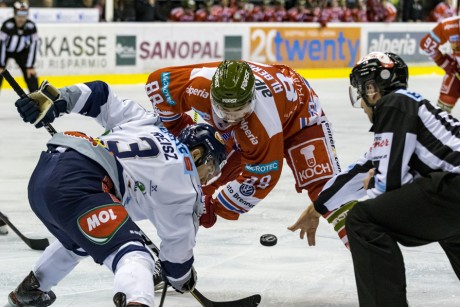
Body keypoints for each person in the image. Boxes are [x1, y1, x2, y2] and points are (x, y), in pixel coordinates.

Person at [9, 80, 227, 306]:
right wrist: (182, 277)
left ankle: (31, 289)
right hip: (81, 182)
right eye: (211, 167)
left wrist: (56, 100)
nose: (207, 177)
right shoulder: (187, 183)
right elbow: (177, 254)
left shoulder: (148, 123)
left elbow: (99, 95)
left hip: (46, 174)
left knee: (83, 239)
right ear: (197, 152)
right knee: (135, 256)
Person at [298, 51, 460, 306]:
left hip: (454, 190)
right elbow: (362, 168)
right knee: (451, 228)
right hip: (452, 196)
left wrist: (375, 182)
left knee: (363, 219)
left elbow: (389, 182)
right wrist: (318, 207)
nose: (362, 104)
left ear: (372, 89)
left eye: (361, 93)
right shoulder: (411, 109)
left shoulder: (394, 104)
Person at [145, 60, 343, 239]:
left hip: (300, 114)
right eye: (225, 110)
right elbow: (157, 85)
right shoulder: (198, 87)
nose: (232, 118)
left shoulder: (261, 125)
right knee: (200, 175)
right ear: (212, 96)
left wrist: (214, 208)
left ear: (252, 99)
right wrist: (180, 128)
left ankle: (360, 241)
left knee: (326, 191)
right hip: (255, 120)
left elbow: (261, 177)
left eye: (238, 110)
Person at [420, 16, 460, 113]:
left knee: (440, 117)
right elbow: (426, 45)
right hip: (457, 74)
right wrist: (443, 62)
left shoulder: (449, 25)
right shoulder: (448, 26)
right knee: (440, 115)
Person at [0, 2, 39, 94]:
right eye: (19, 15)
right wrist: (0, 65)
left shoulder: (31, 26)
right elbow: (1, 45)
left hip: (21, 52)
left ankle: (38, 101)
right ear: (14, 13)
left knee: (31, 75)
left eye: (24, 15)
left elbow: (34, 46)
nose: (21, 19)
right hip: (5, 52)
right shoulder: (7, 25)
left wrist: (30, 66)